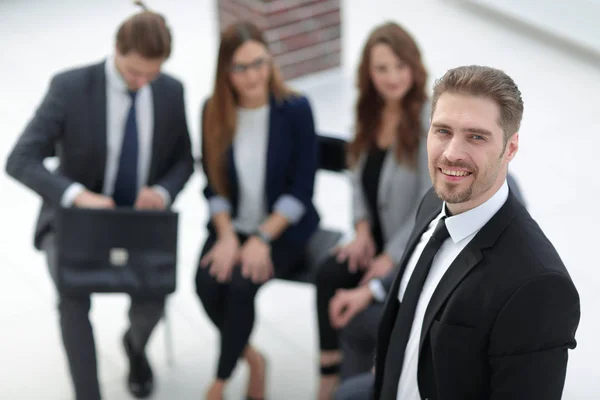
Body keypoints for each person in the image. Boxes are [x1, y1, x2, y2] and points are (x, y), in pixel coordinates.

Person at [4, 2, 194, 399]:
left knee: (155, 294)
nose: (141, 82)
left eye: (151, 74)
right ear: (116, 50)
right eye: (133, 72)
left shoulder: (170, 91)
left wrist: (161, 192)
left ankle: (135, 347)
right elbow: (20, 159)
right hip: (77, 219)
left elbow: (183, 161)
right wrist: (76, 195)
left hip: (135, 219)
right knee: (72, 299)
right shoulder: (70, 88)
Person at [371, 65, 580, 400]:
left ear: (510, 148)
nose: (452, 153)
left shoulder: (538, 284)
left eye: (476, 136)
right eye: (442, 131)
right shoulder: (432, 204)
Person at [196, 21, 320, 400]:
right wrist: (229, 235)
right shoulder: (213, 111)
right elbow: (213, 183)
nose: (253, 76)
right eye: (241, 67)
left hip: (284, 228)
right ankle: (252, 357)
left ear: (271, 61)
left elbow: (301, 190)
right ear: (225, 72)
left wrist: (262, 238)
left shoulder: (295, 108)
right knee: (204, 282)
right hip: (234, 225)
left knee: (239, 286)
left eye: (259, 63)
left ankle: (218, 383)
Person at [314, 22, 431, 400]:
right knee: (329, 272)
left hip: (407, 245)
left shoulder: (429, 120)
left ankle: (366, 376)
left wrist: (388, 256)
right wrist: (362, 230)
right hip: (374, 236)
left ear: (414, 66)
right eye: (381, 68)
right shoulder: (370, 110)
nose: (392, 77)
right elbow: (355, 177)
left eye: (399, 66)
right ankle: (329, 371)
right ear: (369, 72)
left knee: (364, 299)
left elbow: (426, 204)